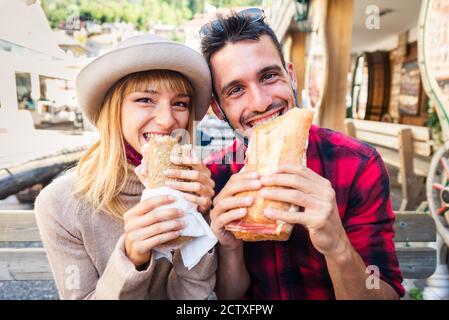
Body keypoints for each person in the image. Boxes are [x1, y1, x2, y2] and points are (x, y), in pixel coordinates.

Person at [200, 9, 404, 300]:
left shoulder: (358, 164)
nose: (260, 103)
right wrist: (229, 248)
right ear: (218, 109)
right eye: (236, 90)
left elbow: (385, 294)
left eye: (269, 76)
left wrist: (336, 244)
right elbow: (227, 297)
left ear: (291, 76)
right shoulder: (214, 178)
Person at [34, 35, 217, 300]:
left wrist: (202, 219)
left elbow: (191, 299)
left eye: (180, 103)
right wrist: (132, 257)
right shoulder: (60, 204)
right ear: (113, 110)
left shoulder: (197, 186)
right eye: (145, 99)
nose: (167, 121)